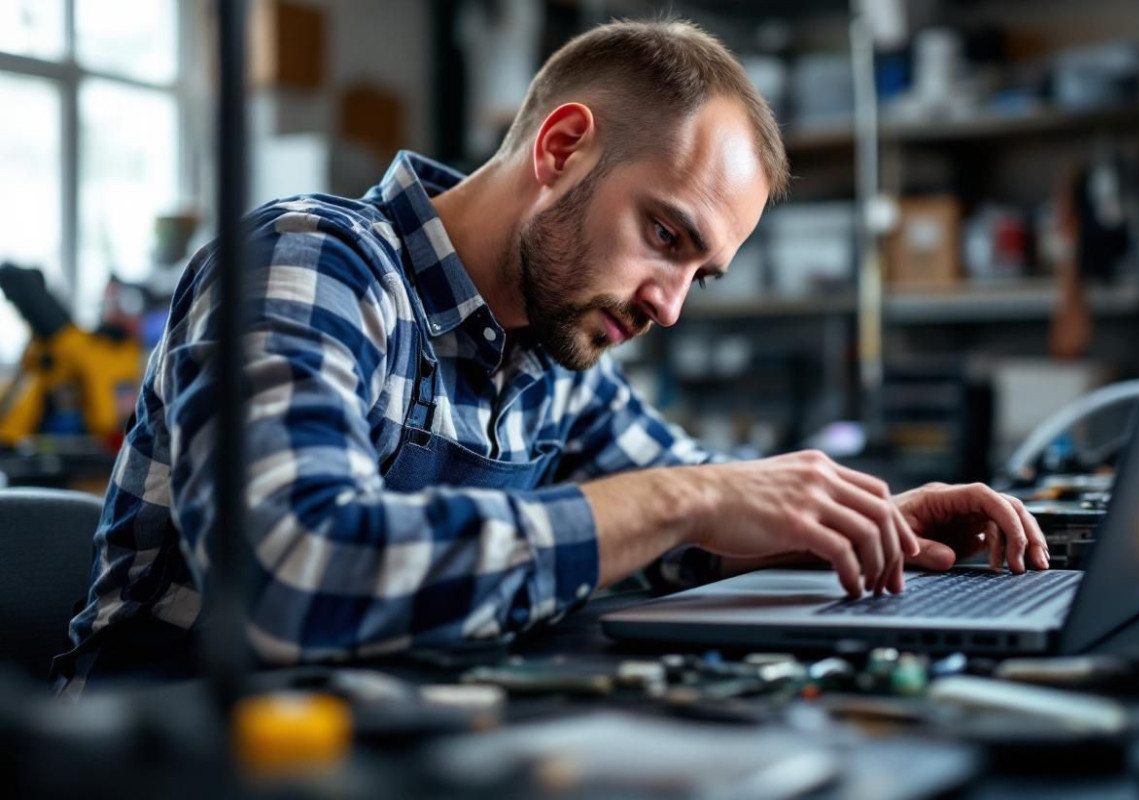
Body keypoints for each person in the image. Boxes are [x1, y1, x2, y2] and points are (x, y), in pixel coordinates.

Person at [55, 19, 1047, 696]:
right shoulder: (311, 261)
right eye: (666, 235)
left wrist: (851, 518)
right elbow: (289, 574)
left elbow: (698, 511)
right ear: (563, 146)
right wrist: (677, 501)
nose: (666, 305)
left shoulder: (554, 344)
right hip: (172, 744)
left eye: (698, 275)